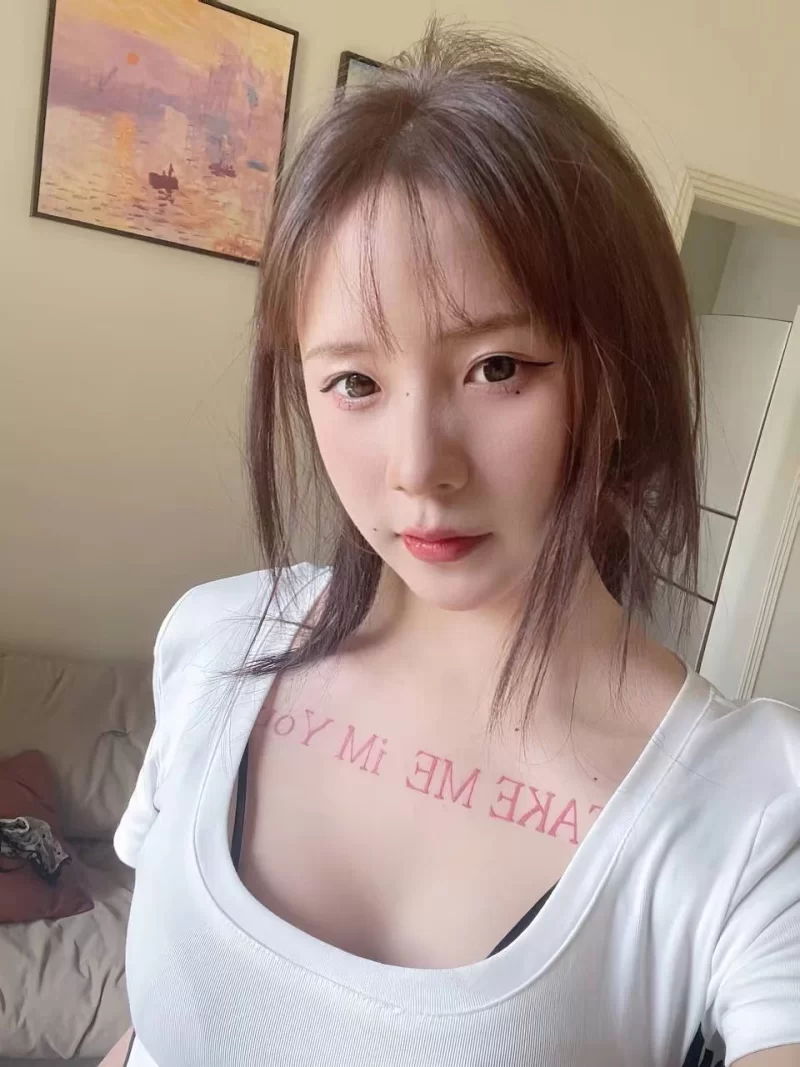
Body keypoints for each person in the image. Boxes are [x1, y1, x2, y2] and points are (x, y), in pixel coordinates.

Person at [103, 20, 800, 1067]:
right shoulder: (212, 643)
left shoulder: (753, 808)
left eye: (496, 368)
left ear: (620, 378)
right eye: (354, 381)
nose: (418, 466)